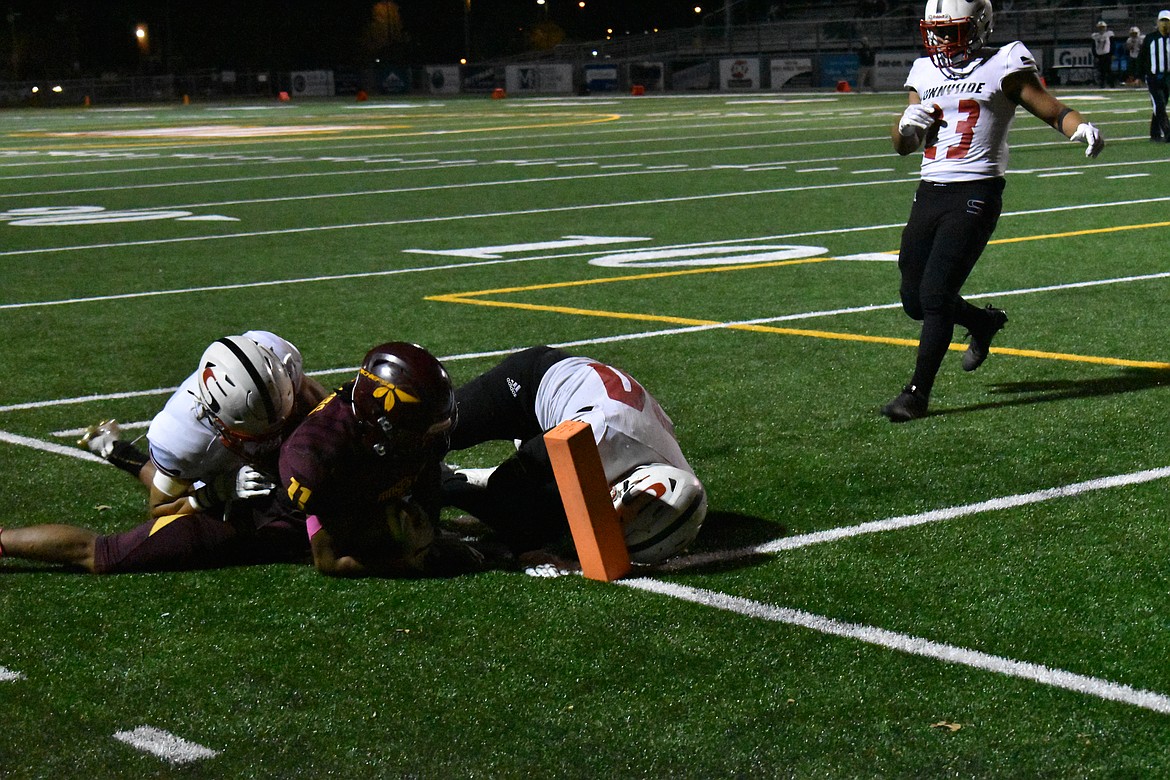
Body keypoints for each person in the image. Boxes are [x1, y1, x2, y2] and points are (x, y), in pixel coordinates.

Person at [881, 0, 1104, 422]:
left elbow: (1051, 109)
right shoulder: (923, 71)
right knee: (914, 298)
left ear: (980, 26)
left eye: (953, 30)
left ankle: (916, 394)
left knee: (934, 295)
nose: (943, 39)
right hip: (930, 189)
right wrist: (904, 126)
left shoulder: (1004, 62)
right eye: (937, 30)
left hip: (976, 190)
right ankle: (982, 323)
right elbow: (903, 145)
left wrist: (1081, 127)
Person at [0, 333, 323, 572]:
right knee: (107, 555)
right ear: (215, 419)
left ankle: (115, 448)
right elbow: (163, 507)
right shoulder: (184, 434)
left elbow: (326, 417)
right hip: (218, 479)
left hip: (265, 464)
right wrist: (217, 492)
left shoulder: (277, 359)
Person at [441, 346, 707, 566]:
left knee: (552, 523)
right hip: (535, 380)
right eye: (623, 517)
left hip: (588, 417)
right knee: (434, 431)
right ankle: (446, 483)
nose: (615, 519)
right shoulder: (598, 438)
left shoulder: (682, 482)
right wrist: (525, 547)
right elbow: (509, 482)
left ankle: (463, 480)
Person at [279, 341, 498, 578]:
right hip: (299, 504)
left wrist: (433, 534)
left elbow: (427, 469)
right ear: (381, 425)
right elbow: (329, 560)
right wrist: (413, 562)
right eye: (421, 434)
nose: (432, 441)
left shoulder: (395, 421)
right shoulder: (315, 460)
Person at [1140, 10, 1170, 142]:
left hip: (1168, 78)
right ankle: (1168, 133)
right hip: (1153, 78)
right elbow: (1142, 58)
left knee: (1160, 106)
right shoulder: (1150, 38)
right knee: (1159, 105)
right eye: (1162, 20)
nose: (1165, 24)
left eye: (1167, 21)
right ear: (1157, 22)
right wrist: (1139, 75)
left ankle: (1154, 133)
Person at [1091, 20, 1115, 88]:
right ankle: (1102, 84)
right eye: (1100, 27)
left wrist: (1112, 53)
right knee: (1101, 71)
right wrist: (1095, 55)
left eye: (1102, 27)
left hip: (1107, 54)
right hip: (1099, 55)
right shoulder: (1095, 36)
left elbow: (1112, 44)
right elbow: (1093, 46)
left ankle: (1111, 84)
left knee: (1108, 70)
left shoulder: (1109, 34)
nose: (1101, 29)